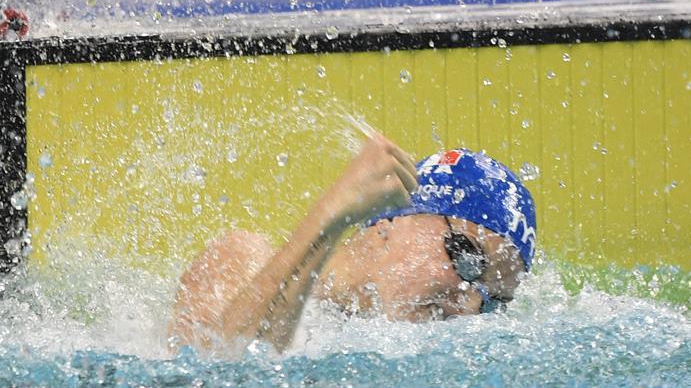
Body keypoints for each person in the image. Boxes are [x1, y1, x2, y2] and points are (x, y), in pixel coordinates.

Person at [170, 134, 536, 354]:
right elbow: (219, 381)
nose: (470, 307)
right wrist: (332, 216)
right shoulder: (241, 259)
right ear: (395, 221)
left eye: (494, 301)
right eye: (469, 259)